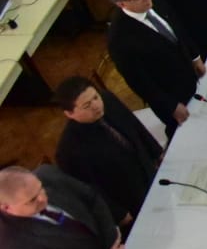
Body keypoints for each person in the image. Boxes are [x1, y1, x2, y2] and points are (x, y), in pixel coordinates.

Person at [104, 0, 205, 139]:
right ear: (122, 4)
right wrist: (171, 106)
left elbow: (178, 27)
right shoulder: (119, 40)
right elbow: (141, 83)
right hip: (173, 96)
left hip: (192, 76)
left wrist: (195, 57)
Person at [53, 76, 162, 232]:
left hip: (148, 171)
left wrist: (157, 152)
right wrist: (118, 214)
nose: (96, 106)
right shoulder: (68, 151)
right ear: (69, 113)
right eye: (87, 105)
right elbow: (89, 190)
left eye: (96, 97)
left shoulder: (107, 99)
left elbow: (133, 124)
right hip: (128, 200)